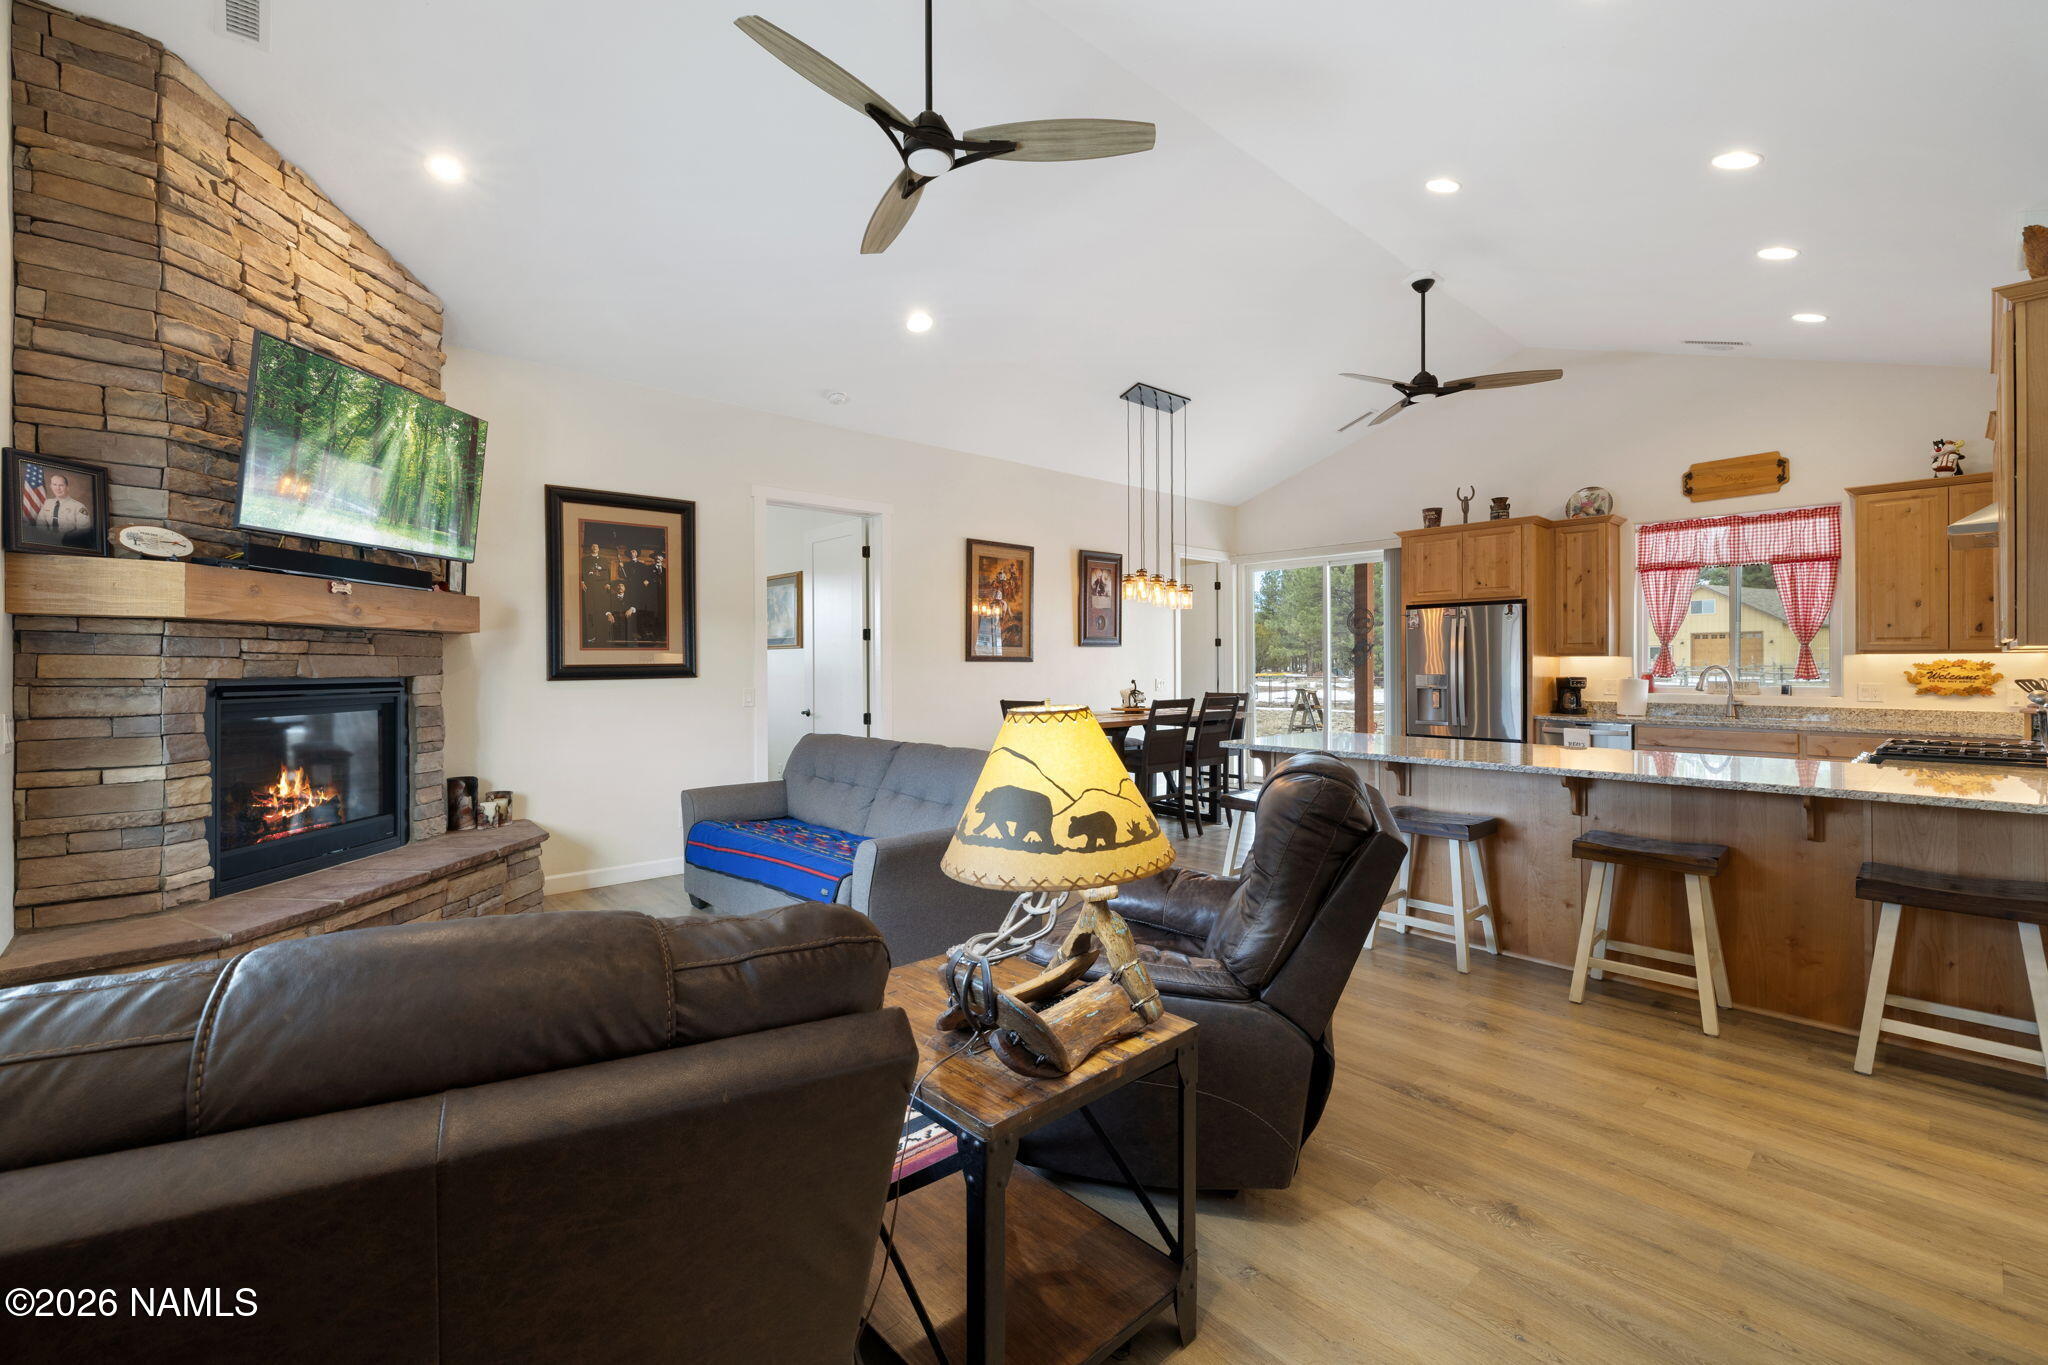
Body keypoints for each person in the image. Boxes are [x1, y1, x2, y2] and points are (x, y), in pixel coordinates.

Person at [27, 468, 93, 549]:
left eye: (61, 485)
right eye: (54, 485)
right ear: (51, 486)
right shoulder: (47, 503)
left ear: (67, 487)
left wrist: (64, 538)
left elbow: (84, 530)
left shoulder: (79, 507)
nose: (57, 488)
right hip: (49, 544)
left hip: (70, 545)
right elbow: (40, 525)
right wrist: (48, 538)